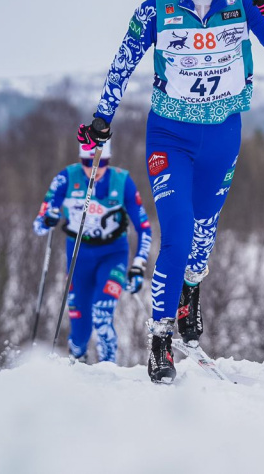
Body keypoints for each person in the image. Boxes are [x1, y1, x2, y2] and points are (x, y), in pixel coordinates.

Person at [75, 0, 264, 383]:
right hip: (169, 137)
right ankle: (160, 338)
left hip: (222, 136)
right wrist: (102, 119)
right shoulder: (156, 8)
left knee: (203, 233)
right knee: (176, 234)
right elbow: (122, 63)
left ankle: (191, 292)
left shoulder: (244, 2)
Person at [32, 140, 152, 363]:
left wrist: (138, 265)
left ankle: (108, 369)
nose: (93, 169)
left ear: (108, 160)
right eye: (88, 162)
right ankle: (77, 362)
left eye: (100, 162)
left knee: (102, 313)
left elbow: (144, 228)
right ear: (80, 160)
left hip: (113, 253)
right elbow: (39, 225)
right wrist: (48, 219)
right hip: (79, 256)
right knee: (79, 330)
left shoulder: (122, 181)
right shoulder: (66, 178)